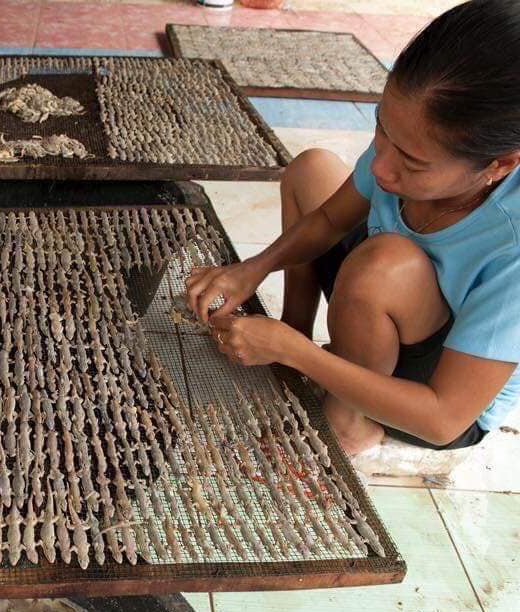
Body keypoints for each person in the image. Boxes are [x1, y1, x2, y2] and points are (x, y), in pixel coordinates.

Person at [185, 0, 520, 456]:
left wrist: (299, 355)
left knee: (382, 265)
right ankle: (294, 330)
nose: (381, 167)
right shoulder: (408, 138)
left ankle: (349, 424)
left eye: (412, 164)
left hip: (434, 400)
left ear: (499, 166)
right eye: (382, 130)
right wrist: (253, 269)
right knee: (310, 169)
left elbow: (444, 419)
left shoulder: (512, 244)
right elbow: (325, 219)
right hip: (383, 319)